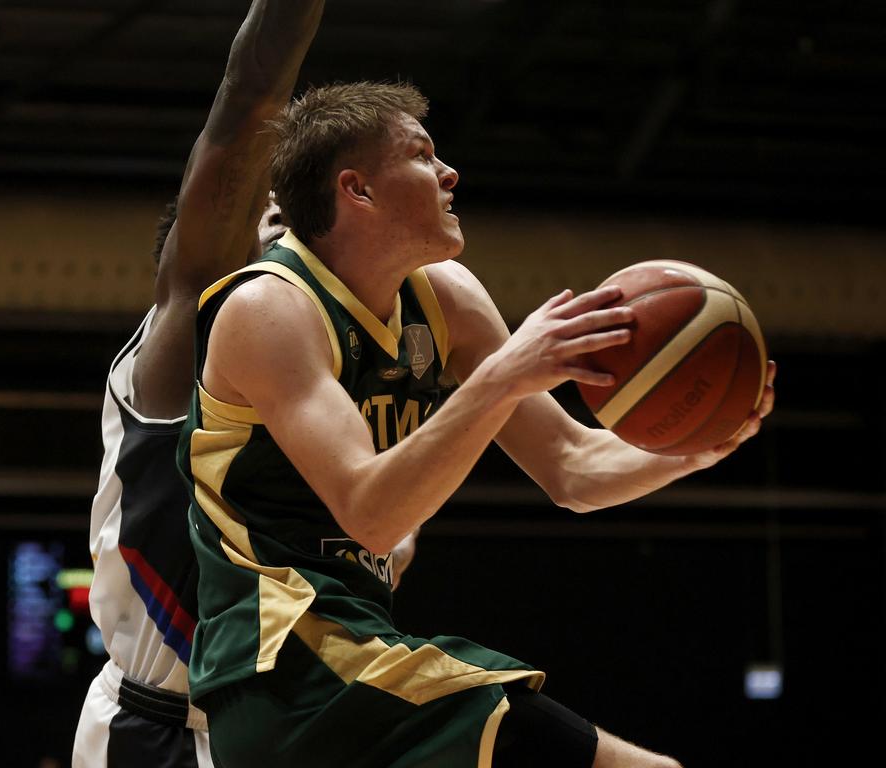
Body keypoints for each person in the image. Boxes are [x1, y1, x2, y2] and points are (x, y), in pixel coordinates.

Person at [177, 81, 777, 768]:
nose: (449, 172)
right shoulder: (268, 309)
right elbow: (371, 513)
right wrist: (504, 374)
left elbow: (572, 468)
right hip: (289, 672)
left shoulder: (445, 300)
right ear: (358, 191)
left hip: (354, 657)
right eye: (422, 155)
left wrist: (693, 449)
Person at [72, 2, 327, 766]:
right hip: (158, 732)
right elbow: (249, 101)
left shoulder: (333, 378)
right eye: (273, 218)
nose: (296, 237)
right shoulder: (191, 330)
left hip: (289, 730)